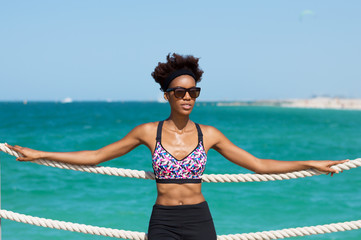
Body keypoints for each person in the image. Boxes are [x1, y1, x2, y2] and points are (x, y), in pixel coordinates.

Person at [6, 53, 348, 240]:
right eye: (180, 92)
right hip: (164, 220)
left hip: (199, 218)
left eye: (194, 92)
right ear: (167, 94)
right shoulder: (147, 131)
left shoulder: (209, 134)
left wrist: (311, 163)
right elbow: (96, 156)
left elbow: (258, 164)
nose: (188, 97)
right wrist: (41, 154)